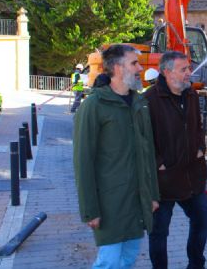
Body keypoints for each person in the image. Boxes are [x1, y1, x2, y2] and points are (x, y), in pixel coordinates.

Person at [73, 44, 160, 269]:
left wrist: (152, 195)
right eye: (134, 63)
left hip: (136, 200)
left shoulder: (139, 103)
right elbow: (83, 162)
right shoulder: (94, 105)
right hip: (110, 203)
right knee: (109, 262)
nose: (140, 68)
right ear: (118, 68)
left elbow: (147, 152)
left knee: (129, 257)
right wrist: (90, 210)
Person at [144, 51, 207, 269]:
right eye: (183, 69)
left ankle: (196, 264)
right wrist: (158, 163)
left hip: (192, 175)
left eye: (189, 68)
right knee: (159, 232)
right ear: (166, 72)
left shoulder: (191, 95)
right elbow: (143, 140)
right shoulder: (149, 100)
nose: (189, 74)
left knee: (202, 218)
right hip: (163, 181)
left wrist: (200, 147)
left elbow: (198, 126)